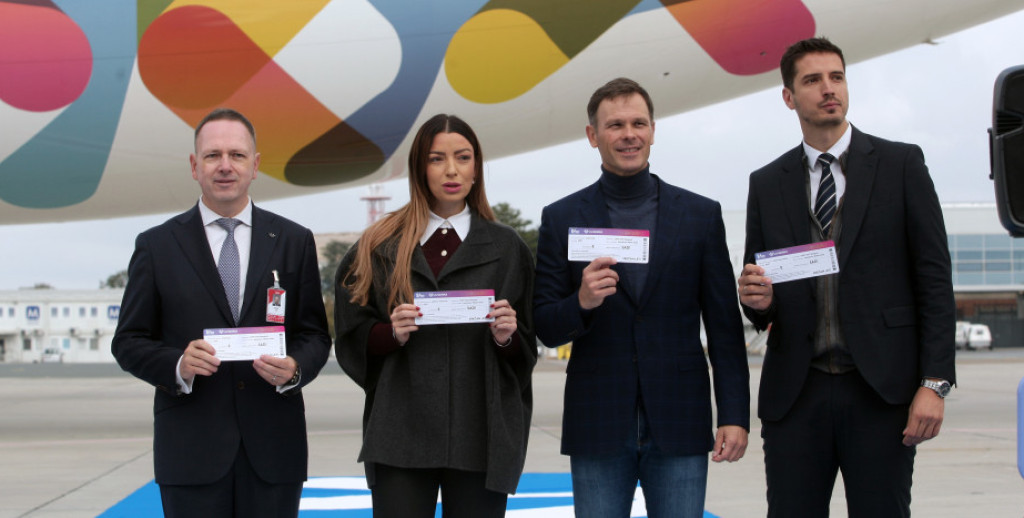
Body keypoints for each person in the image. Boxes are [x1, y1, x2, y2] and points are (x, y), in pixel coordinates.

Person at [738, 37, 957, 517]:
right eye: (813, 80)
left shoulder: (901, 165)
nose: (828, 89)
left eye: (836, 77)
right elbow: (763, 294)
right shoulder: (767, 182)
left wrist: (935, 383)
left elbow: (935, 282)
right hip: (797, 395)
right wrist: (756, 301)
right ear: (789, 97)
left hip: (881, 391)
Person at [533, 77, 750, 518]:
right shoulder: (562, 218)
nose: (628, 134)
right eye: (615, 125)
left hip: (680, 417)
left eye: (638, 123)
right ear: (593, 135)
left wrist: (734, 414)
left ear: (653, 130)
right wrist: (581, 301)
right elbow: (545, 326)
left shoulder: (700, 216)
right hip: (598, 420)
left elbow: (725, 328)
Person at [112, 108, 331, 518]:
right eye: (213, 155)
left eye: (237, 155)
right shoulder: (157, 246)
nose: (225, 166)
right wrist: (177, 364)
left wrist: (295, 369)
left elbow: (315, 335)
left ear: (255, 165)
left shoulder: (293, 240)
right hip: (191, 452)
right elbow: (128, 341)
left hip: (273, 450)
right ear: (195, 166)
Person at [334, 114, 536, 518]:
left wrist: (507, 336)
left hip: (480, 431)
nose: (451, 170)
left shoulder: (507, 247)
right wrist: (390, 334)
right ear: (419, 169)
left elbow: (526, 348)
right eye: (436, 158)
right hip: (400, 432)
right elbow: (350, 334)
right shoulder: (379, 244)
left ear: (476, 168)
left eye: (462, 157)